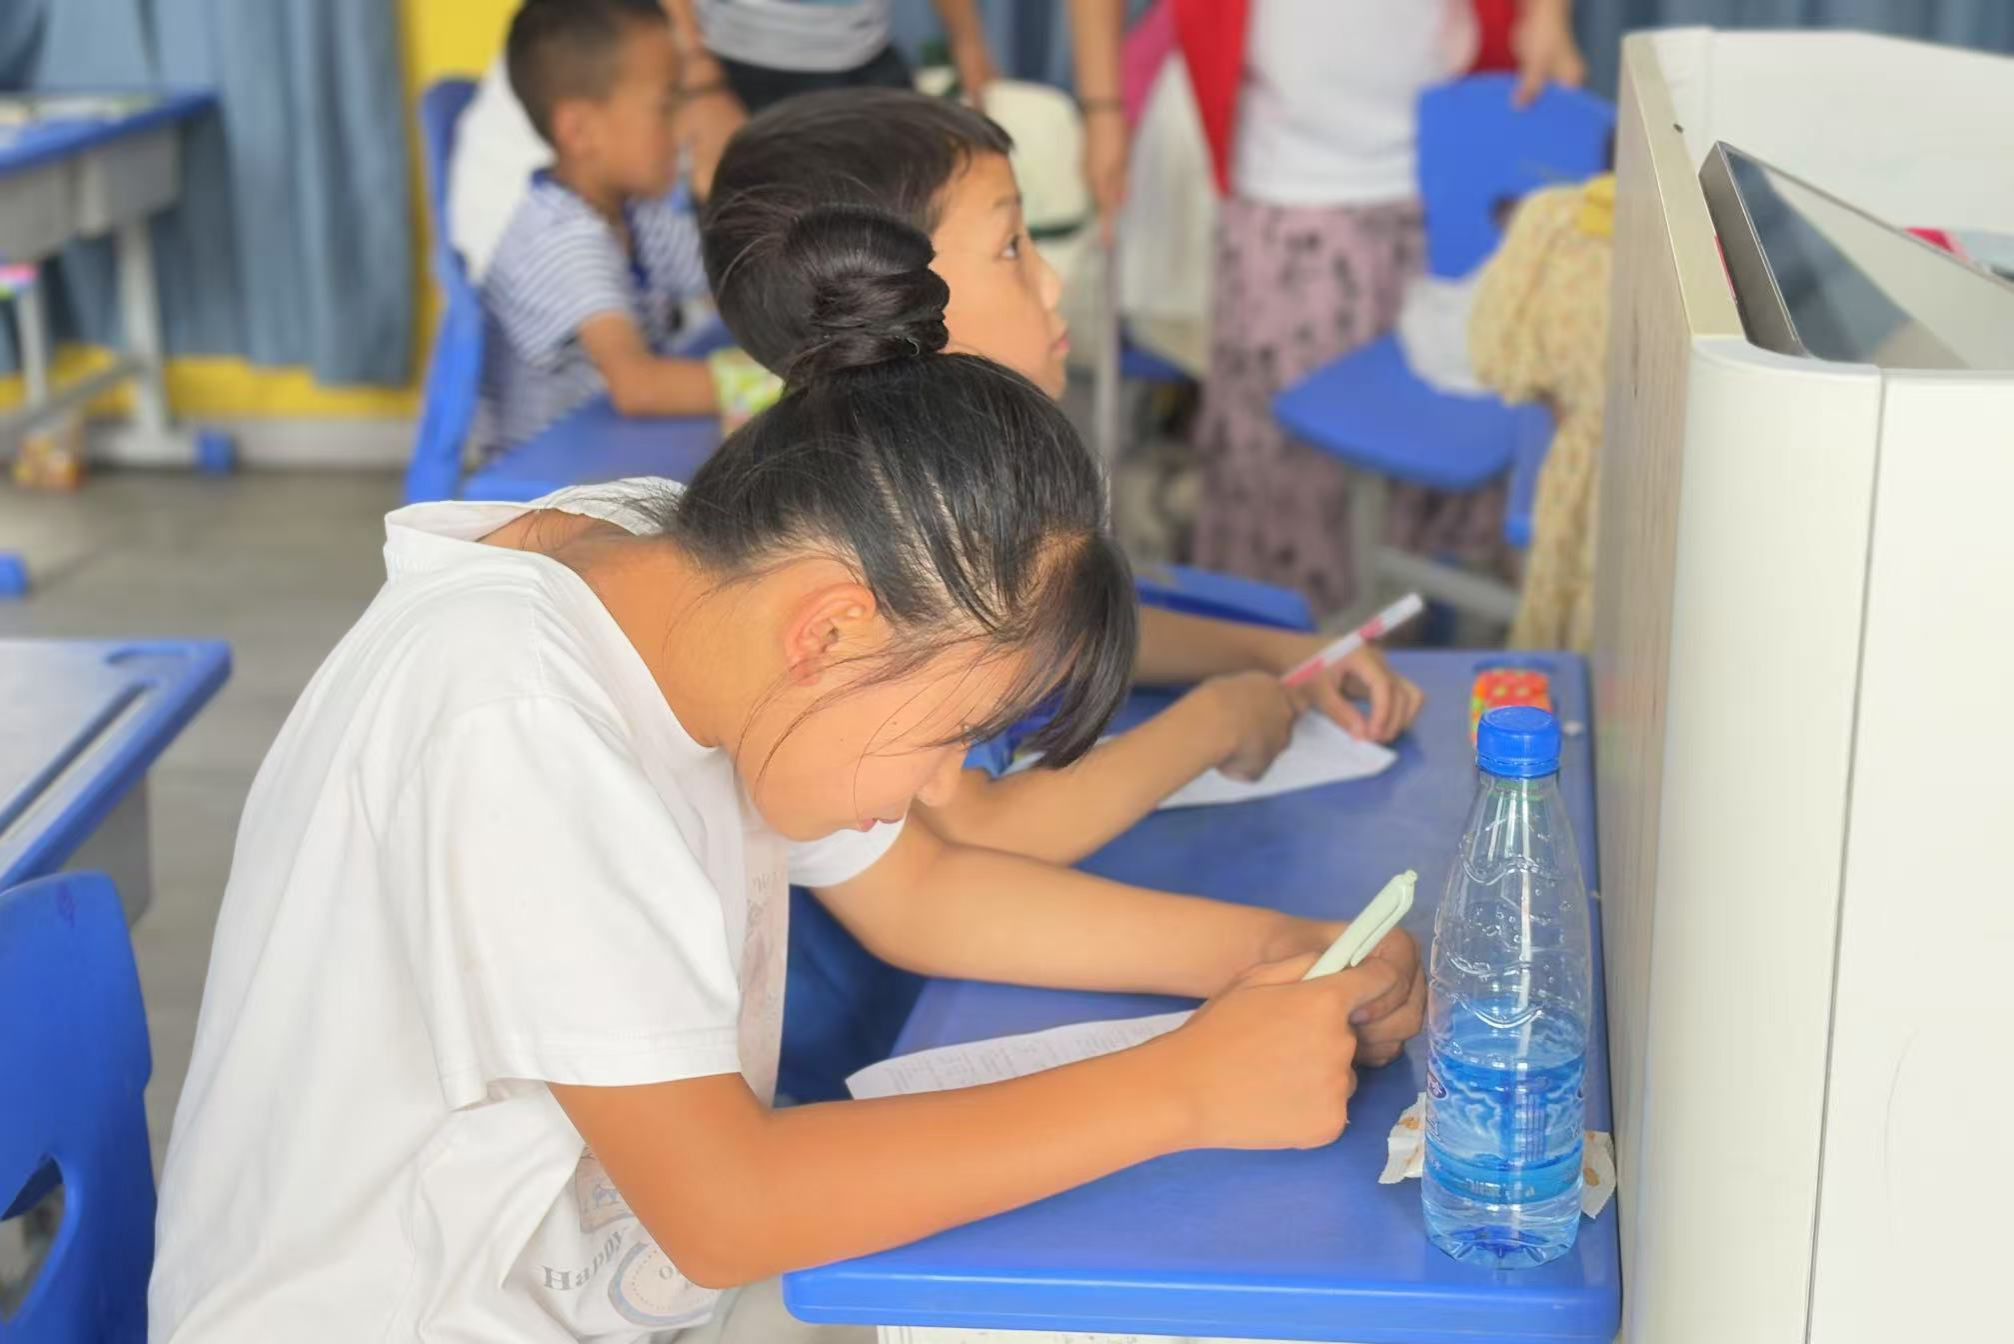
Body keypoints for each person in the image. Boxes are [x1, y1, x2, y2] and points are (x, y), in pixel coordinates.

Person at [148, 284, 1425, 1339]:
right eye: (950, 735)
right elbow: (727, 1207)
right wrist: (1184, 1088)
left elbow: (926, 893)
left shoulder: (690, 579)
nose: (943, 788)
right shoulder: (518, 716)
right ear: (832, 630)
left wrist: (1275, 953)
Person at [703, 89, 1425, 868]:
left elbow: (1055, 628)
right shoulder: (893, 520)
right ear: (880, 293)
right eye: (1012, 247)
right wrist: (1215, 723)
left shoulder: (949, 462)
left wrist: (1280, 651)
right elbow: (978, 827)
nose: (1051, 283)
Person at [1173, 0, 1586, 615]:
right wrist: (1103, 112)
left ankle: (1420, 635)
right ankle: (1278, 647)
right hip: (1289, 187)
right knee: (1285, 499)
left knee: (1445, 504)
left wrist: (1547, 15)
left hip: (1448, 171)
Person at [479, 0, 721, 453]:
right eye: (666, 106)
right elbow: (639, 388)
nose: (685, 128)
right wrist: (788, 387)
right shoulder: (559, 239)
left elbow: (726, 279)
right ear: (579, 132)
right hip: (554, 481)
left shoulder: (637, 210)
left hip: (618, 445)